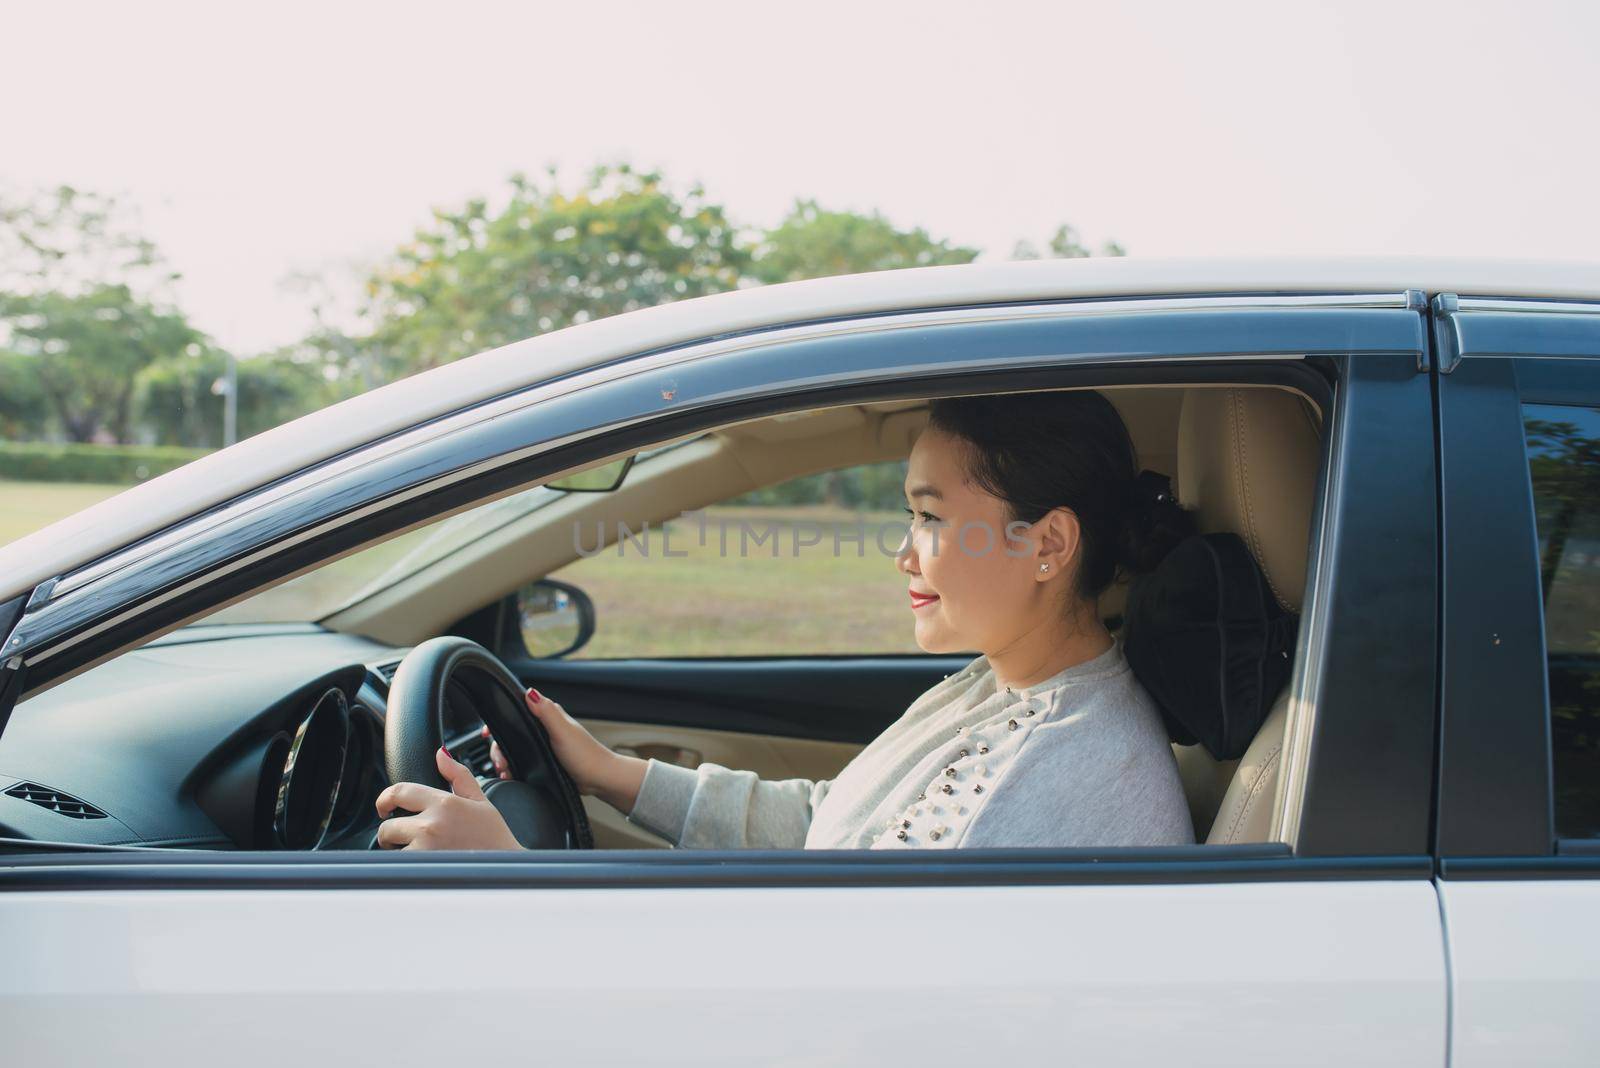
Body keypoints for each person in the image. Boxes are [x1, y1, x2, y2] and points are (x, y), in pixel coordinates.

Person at [376, 390, 1197, 851]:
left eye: (931, 519)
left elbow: (817, 979)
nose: (904, 556)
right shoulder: (1009, 684)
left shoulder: (1043, 771)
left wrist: (511, 879)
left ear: (1048, 543)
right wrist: (607, 772)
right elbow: (830, 824)